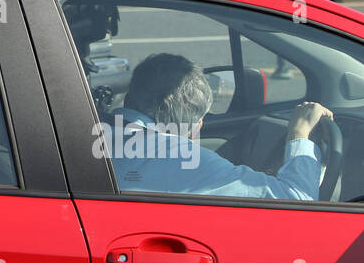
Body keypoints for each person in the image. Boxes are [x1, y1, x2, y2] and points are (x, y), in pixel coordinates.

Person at [103, 53, 334, 200]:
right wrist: (299, 134)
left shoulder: (93, 131)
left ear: (129, 98)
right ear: (193, 125)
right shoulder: (181, 160)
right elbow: (297, 200)